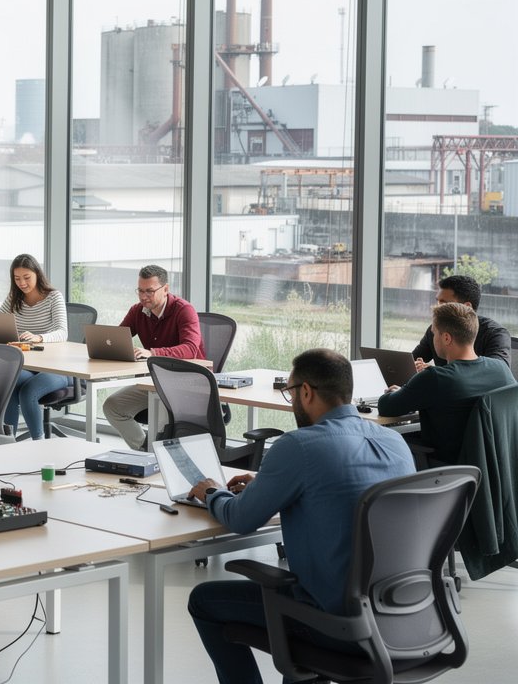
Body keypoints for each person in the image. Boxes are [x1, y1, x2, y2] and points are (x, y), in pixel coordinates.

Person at [186, 349, 416, 684]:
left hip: (337, 623)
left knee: (204, 601)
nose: (292, 399)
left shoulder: (299, 446)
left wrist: (211, 492)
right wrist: (267, 485)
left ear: (306, 392)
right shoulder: (394, 442)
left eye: (291, 392)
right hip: (401, 617)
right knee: (310, 605)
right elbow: (336, 491)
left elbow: (239, 519)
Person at [378, 301, 515, 464]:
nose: (432, 338)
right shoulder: (501, 369)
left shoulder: (435, 378)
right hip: (493, 468)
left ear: (446, 338)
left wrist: (399, 392)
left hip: (446, 472)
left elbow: (385, 406)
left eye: (434, 333)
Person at [101, 265, 204, 450]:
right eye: (140, 291)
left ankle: (161, 457)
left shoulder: (184, 310)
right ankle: (145, 449)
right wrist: (107, 345)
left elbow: (190, 348)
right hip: (155, 382)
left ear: (165, 289)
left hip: (185, 383)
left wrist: (153, 353)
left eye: (149, 291)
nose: (143, 296)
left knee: (162, 420)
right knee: (113, 406)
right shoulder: (138, 310)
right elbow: (118, 338)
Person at [0, 255, 71, 440]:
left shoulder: (54, 297)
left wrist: (39, 338)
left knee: (29, 391)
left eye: (27, 277)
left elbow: (62, 332)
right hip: (28, 366)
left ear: (37, 274)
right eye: (17, 278)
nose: (22, 283)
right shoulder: (14, 299)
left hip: (57, 368)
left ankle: (38, 443)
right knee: (9, 383)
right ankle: (7, 442)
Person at [411, 274, 511, 371]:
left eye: (443, 303)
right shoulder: (435, 330)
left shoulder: (496, 334)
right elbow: (411, 361)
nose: (436, 307)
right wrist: (415, 367)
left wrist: (436, 373)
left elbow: (498, 372)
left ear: (467, 307)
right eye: (437, 301)